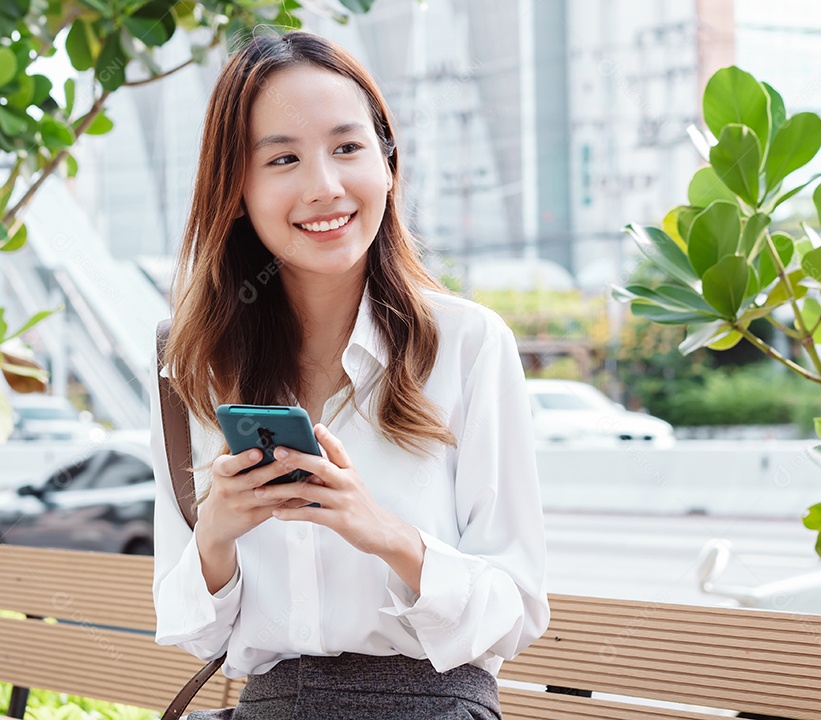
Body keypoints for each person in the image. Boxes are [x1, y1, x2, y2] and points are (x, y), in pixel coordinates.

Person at [150, 29, 549, 719]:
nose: (324, 187)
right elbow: (193, 631)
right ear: (236, 190)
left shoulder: (467, 345)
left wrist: (382, 532)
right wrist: (216, 534)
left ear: (388, 162)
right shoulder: (197, 365)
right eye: (282, 159)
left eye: (347, 148)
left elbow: (515, 612)